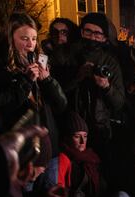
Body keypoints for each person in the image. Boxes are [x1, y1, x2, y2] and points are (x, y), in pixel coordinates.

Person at [0, 13, 67, 155]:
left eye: (34, 39)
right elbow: (1, 106)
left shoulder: (42, 61)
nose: (30, 45)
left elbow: (61, 105)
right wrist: (26, 80)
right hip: (20, 149)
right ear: (11, 39)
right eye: (24, 38)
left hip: (48, 147)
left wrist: (47, 80)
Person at [51, 12, 125, 156]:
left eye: (98, 34)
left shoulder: (110, 62)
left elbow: (119, 103)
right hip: (70, 127)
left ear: (104, 37)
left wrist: (106, 87)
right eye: (88, 31)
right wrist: (77, 77)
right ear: (81, 31)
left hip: (99, 129)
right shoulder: (65, 54)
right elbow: (54, 93)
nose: (92, 37)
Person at [58, 112, 108, 197]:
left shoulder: (92, 158)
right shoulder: (63, 159)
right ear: (67, 138)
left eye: (85, 136)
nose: (82, 141)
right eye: (77, 136)